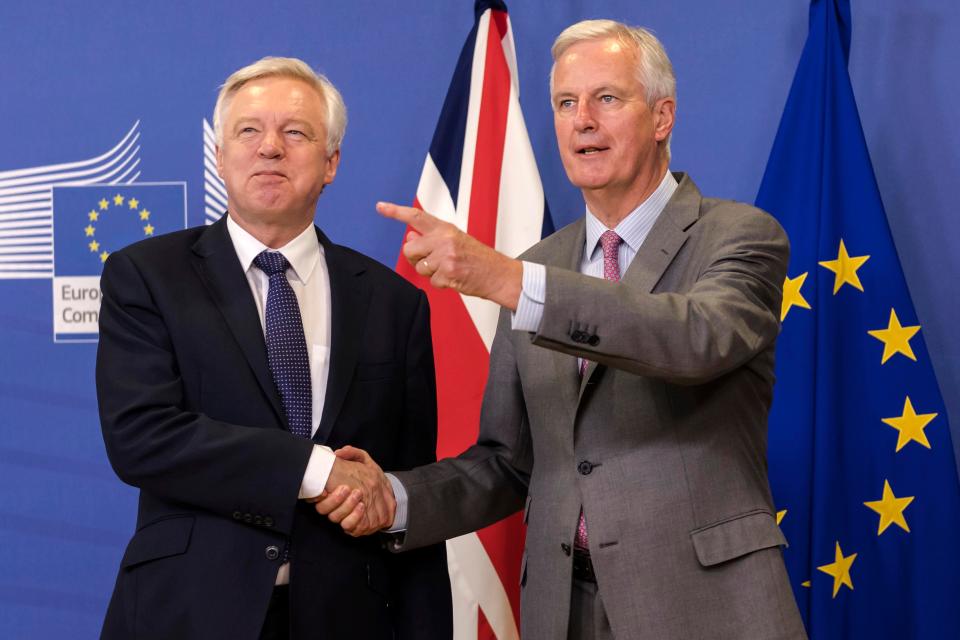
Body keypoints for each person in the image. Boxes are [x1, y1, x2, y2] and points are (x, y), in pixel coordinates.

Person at [318, 20, 807, 640]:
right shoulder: (537, 264)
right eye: (566, 103)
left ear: (662, 118)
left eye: (607, 98)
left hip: (703, 604)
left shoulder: (739, 236)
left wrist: (510, 281)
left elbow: (695, 340)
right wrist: (394, 497)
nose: (582, 121)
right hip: (562, 609)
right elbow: (510, 465)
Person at [96, 57, 452, 640]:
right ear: (220, 155)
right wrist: (317, 470)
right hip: (187, 612)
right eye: (249, 130)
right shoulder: (146, 275)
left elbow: (405, 489)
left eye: (295, 132)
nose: (270, 148)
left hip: (350, 617)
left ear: (331, 161)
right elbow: (141, 436)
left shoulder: (394, 301)